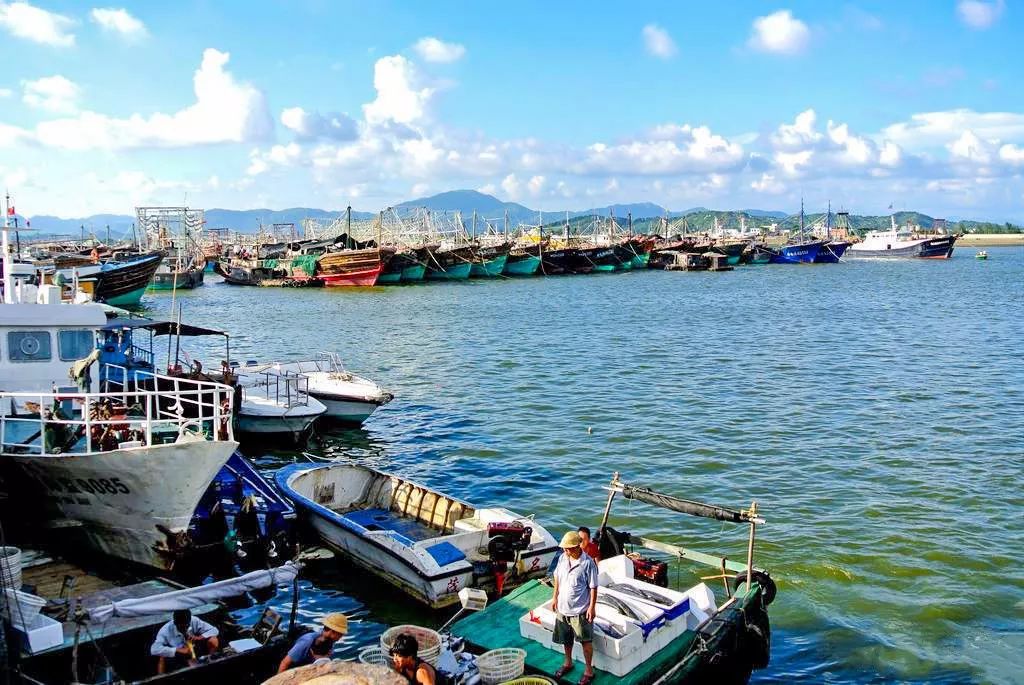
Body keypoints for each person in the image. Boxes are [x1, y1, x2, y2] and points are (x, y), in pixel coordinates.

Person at [551, 530, 598, 685]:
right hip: (563, 609)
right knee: (566, 639)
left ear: (578, 546)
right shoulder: (562, 558)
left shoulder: (588, 563)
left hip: (580, 610)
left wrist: (592, 607)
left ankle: (589, 671)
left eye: (569, 548)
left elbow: (593, 587)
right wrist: (554, 596)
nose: (566, 551)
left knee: (585, 641)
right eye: (565, 548)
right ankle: (568, 662)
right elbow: (557, 576)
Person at [150, 609, 219, 674]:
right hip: (178, 654)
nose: (185, 629)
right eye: (182, 627)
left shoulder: (194, 620)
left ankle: (211, 662)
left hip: (194, 648)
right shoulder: (165, 630)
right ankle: (161, 677)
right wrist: (179, 650)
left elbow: (214, 630)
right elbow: (154, 649)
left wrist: (199, 637)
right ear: (175, 623)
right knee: (162, 656)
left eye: (187, 625)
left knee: (213, 639)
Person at [277, 613, 348, 673]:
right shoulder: (306, 641)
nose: (340, 637)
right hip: (294, 667)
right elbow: (284, 663)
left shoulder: (330, 641)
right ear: (332, 632)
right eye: (340, 634)